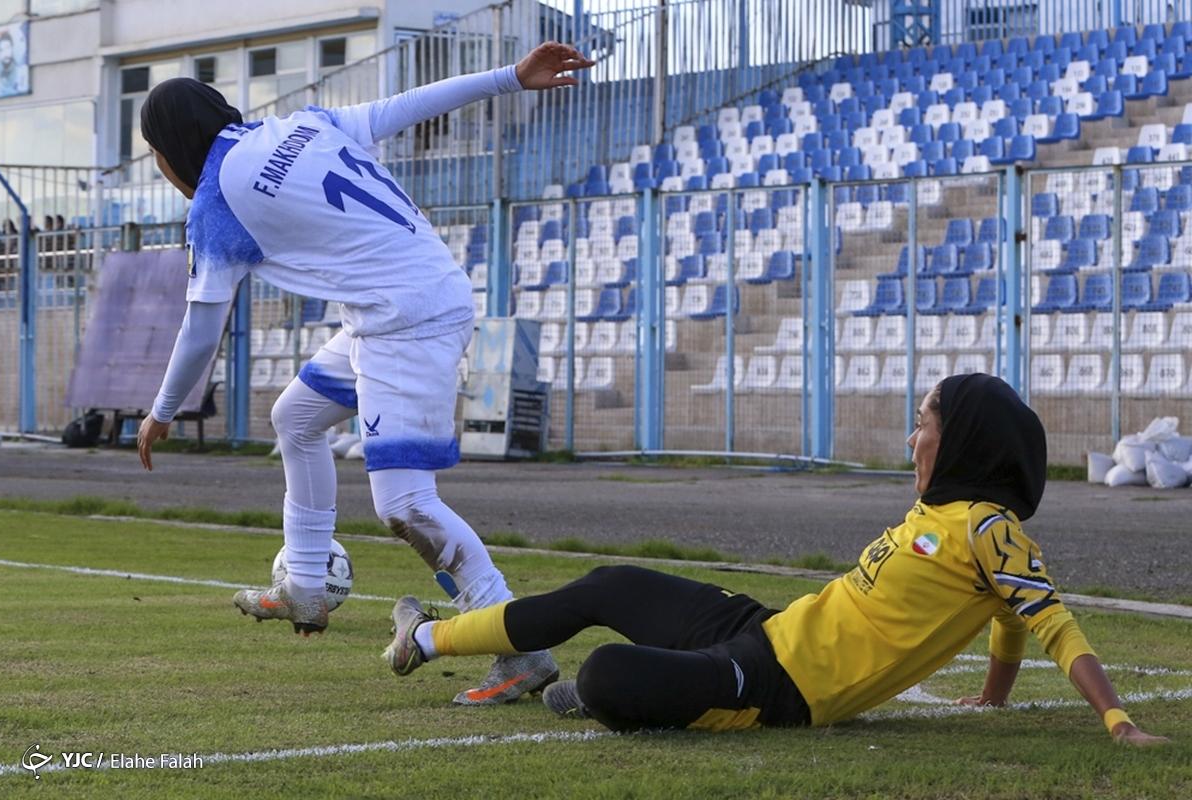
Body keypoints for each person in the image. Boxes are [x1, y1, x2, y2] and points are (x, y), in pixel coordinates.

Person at [134, 42, 595, 705]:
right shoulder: (298, 124)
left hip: (405, 323)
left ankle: (521, 650)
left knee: (405, 503)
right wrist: (510, 78)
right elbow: (405, 106)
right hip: (397, 306)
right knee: (295, 417)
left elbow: (202, 324)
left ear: (171, 147)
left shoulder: (215, 203)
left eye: (156, 155)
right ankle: (307, 589)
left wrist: (162, 410)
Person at [387, 374, 1169, 743]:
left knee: (604, 674)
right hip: (765, 629)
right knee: (611, 584)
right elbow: (1007, 620)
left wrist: (1120, 722)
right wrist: (995, 695)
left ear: (962, 439)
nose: (911, 437)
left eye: (923, 422)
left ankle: (621, 697)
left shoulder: (992, 529)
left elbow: (1046, 621)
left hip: (781, 687)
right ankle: (422, 642)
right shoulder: (941, 513)